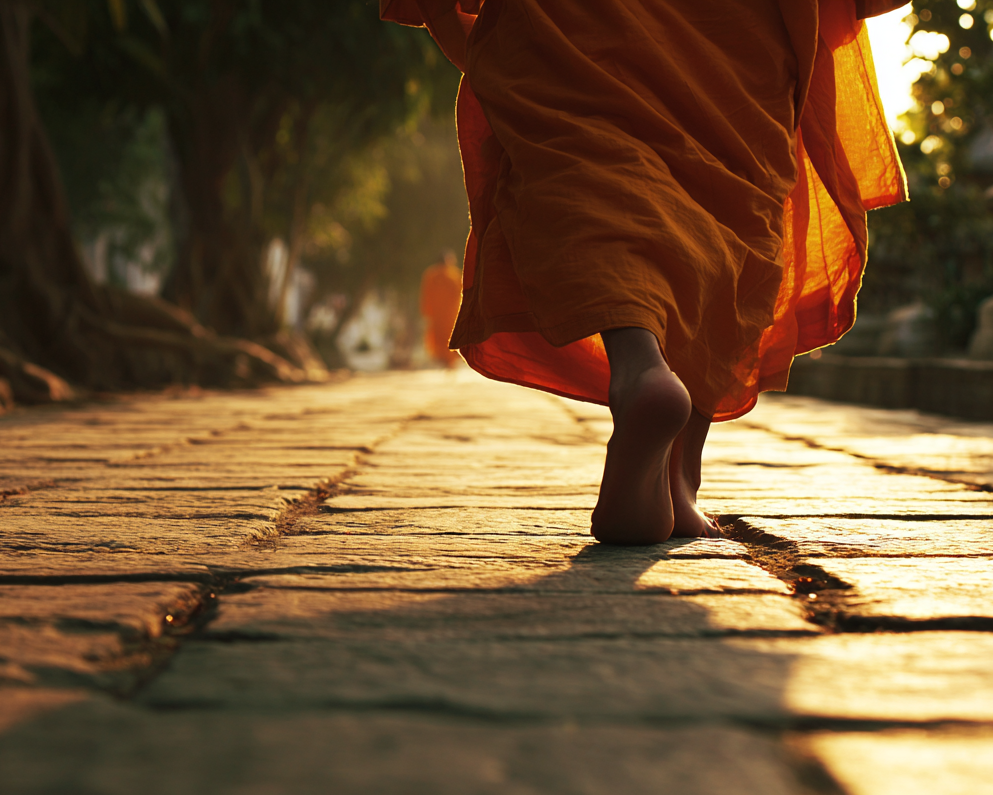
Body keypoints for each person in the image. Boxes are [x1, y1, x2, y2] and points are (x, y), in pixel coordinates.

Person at [382, 0, 908, 544]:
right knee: (722, 218)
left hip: (570, 24)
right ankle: (680, 482)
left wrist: (483, 47)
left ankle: (640, 367)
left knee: (594, 178)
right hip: (743, 33)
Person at [419, 251, 465, 368]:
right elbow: (461, 294)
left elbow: (426, 295)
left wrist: (426, 311)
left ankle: (448, 361)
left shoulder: (431, 274)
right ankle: (448, 362)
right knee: (447, 337)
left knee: (442, 338)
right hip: (449, 315)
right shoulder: (453, 275)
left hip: (441, 315)